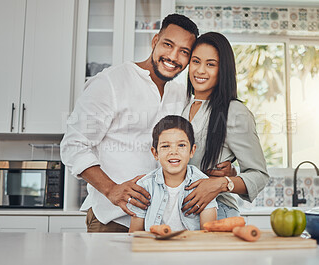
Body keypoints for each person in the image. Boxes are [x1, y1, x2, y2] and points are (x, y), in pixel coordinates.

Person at [60, 14, 232, 232]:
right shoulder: (111, 82)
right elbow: (73, 145)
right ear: (155, 41)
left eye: (184, 52)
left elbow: (184, 148)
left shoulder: (182, 94)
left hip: (164, 226)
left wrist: (225, 171)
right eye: (168, 45)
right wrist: (111, 189)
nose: (173, 56)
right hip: (114, 220)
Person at [180, 32, 270, 219]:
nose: (200, 70)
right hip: (182, 213)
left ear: (223, 70)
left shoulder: (234, 111)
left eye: (210, 64)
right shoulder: (182, 107)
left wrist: (221, 183)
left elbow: (259, 175)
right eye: (196, 61)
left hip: (218, 212)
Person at [128, 115, 217, 232]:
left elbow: (208, 233)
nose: (174, 152)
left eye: (181, 145)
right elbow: (135, 234)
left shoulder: (203, 184)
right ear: (155, 153)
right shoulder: (145, 186)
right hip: (154, 247)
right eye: (165, 146)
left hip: (192, 247)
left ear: (192, 151)